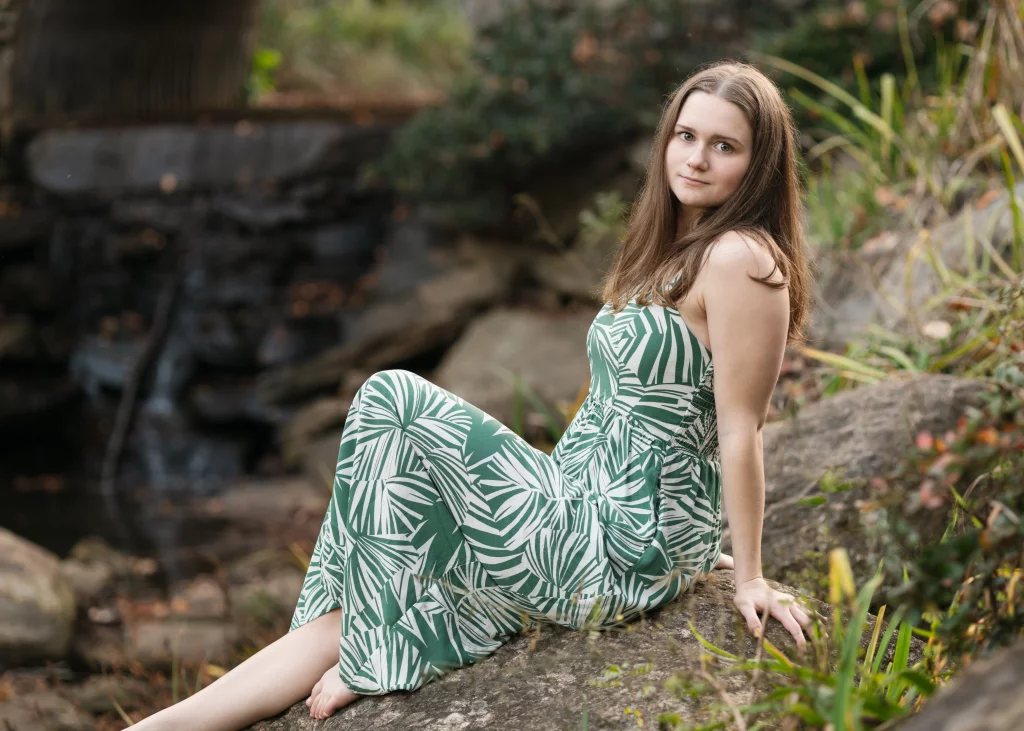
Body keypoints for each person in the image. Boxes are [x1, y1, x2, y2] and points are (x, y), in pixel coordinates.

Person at [132, 59, 813, 730]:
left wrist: (745, 572)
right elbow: (621, 413)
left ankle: (378, 653)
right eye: (686, 135)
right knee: (346, 619)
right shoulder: (673, 251)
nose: (696, 158)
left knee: (390, 398)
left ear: (757, 164)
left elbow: (741, 426)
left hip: (619, 539)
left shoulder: (742, 261)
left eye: (724, 146)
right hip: (577, 503)